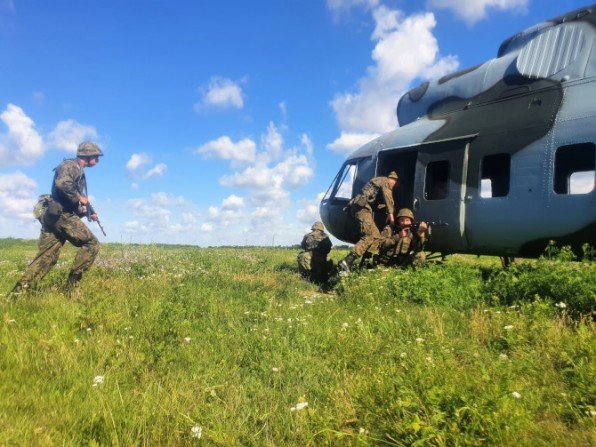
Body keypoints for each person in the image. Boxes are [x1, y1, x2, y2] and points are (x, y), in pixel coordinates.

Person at [10, 142, 104, 296]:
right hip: (61, 214)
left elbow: (69, 195)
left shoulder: (75, 168)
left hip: (54, 215)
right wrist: (80, 197)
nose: (97, 161)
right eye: (96, 157)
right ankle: (72, 288)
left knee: (47, 257)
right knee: (91, 243)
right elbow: (62, 185)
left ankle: (17, 294)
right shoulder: (71, 166)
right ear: (88, 155)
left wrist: (89, 213)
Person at [339, 171, 399, 272]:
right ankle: (348, 261)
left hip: (361, 207)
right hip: (362, 208)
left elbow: (374, 201)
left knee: (376, 236)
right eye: (394, 183)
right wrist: (391, 216)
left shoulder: (377, 181)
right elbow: (388, 198)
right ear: (393, 180)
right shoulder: (385, 181)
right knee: (369, 235)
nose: (393, 185)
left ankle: (364, 264)